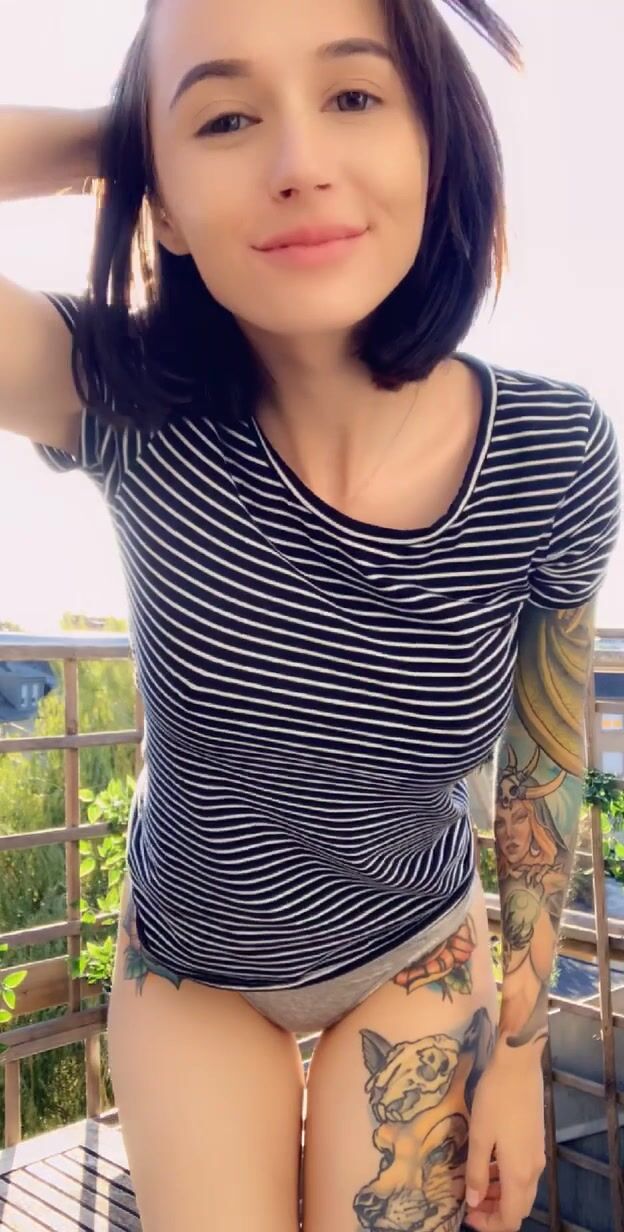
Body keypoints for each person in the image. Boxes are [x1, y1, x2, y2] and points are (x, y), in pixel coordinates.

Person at [0, 1, 621, 1230]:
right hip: (194, 963)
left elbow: (544, 760)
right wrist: (124, 140)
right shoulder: (120, 397)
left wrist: (516, 1053)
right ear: (163, 198)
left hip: (416, 949)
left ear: (435, 138)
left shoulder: (551, 453)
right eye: (229, 120)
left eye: (353, 95)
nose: (299, 162)